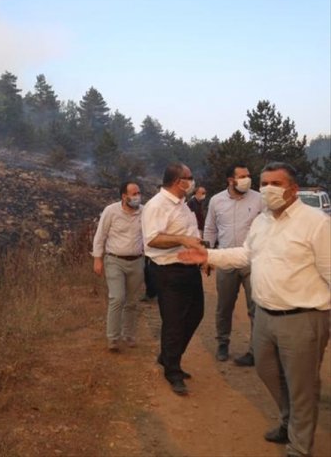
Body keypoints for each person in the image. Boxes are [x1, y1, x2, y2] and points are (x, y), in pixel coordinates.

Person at [179, 162, 330, 457]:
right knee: (267, 371)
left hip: (303, 318)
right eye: (266, 182)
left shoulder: (316, 223)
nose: (269, 188)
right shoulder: (262, 221)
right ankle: (289, 421)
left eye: (276, 183)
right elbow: (247, 254)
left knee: (302, 386)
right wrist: (208, 254)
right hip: (264, 315)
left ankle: (299, 446)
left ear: (293, 189)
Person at [141, 163, 204, 396]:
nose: (192, 181)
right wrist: (182, 240)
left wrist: (201, 256)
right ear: (179, 181)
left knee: (196, 314)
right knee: (174, 322)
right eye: (190, 178)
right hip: (168, 271)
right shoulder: (156, 205)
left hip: (189, 267)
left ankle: (168, 356)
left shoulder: (182, 205)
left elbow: (191, 236)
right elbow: (152, 239)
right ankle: (173, 371)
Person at [203, 163, 262, 366]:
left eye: (248, 175)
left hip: (252, 261)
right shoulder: (216, 201)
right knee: (224, 307)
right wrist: (208, 256)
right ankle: (222, 343)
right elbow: (210, 229)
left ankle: (255, 350)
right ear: (231, 180)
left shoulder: (259, 199)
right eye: (243, 176)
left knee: (255, 308)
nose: (248, 179)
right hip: (226, 260)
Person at [91, 181, 144, 352]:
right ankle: (113, 338)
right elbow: (101, 235)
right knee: (117, 298)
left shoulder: (144, 212)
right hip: (114, 260)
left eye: (138, 193)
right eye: (134, 193)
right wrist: (97, 259)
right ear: (124, 196)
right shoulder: (111, 211)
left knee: (132, 301)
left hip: (137, 261)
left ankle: (128, 334)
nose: (137, 196)